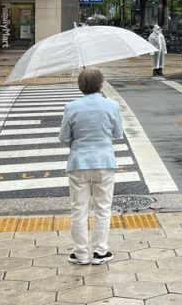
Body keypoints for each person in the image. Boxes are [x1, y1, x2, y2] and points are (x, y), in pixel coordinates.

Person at [59, 68, 124, 266]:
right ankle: (100, 252)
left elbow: (64, 137)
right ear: (101, 84)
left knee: (79, 209)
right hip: (104, 162)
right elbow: (118, 133)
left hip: (79, 162)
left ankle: (80, 253)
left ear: (81, 86)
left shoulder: (71, 107)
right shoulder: (111, 105)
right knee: (103, 208)